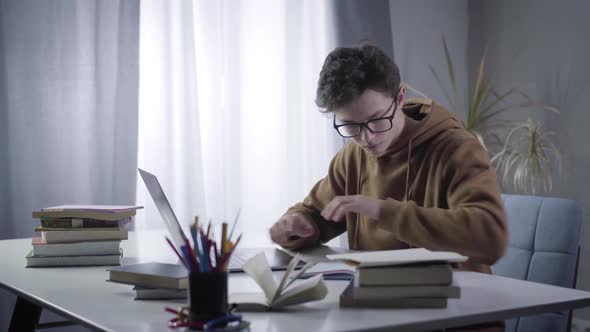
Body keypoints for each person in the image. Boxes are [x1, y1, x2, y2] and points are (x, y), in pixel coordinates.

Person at [269, 43, 508, 331]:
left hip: (455, 318)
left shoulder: (456, 148)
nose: (366, 138)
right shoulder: (353, 156)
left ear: (401, 98)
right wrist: (298, 224)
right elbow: (317, 212)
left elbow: (490, 235)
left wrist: (383, 210)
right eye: (351, 126)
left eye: (375, 120)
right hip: (380, 317)